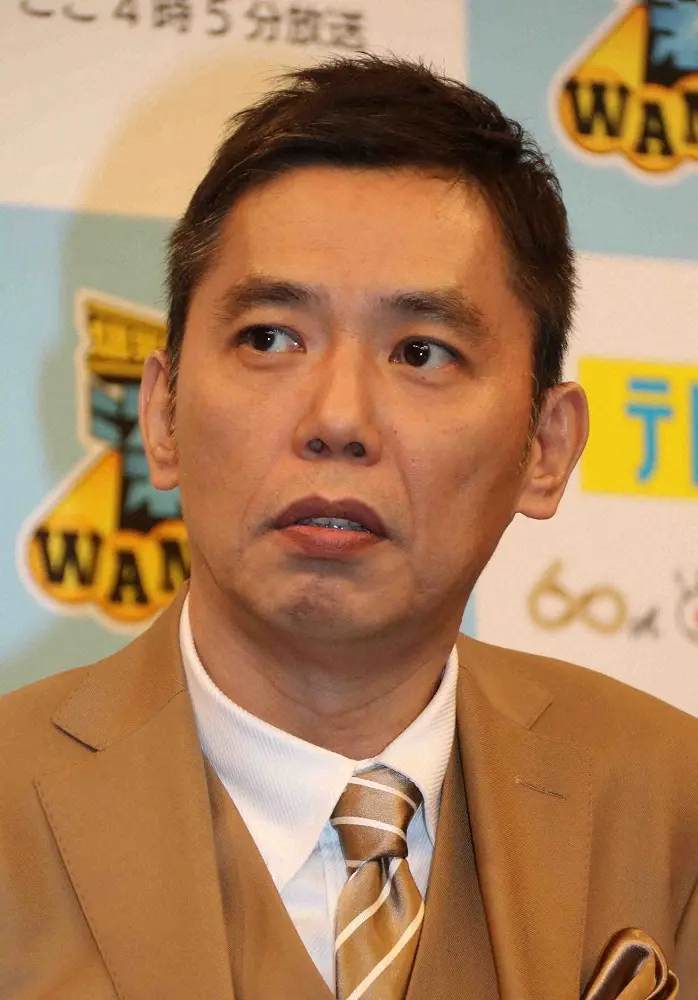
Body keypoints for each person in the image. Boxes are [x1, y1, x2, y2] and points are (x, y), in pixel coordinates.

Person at [1, 56, 696, 1000]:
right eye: (270, 338)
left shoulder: (671, 810)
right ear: (160, 415)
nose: (337, 419)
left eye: (422, 352)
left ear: (546, 446)